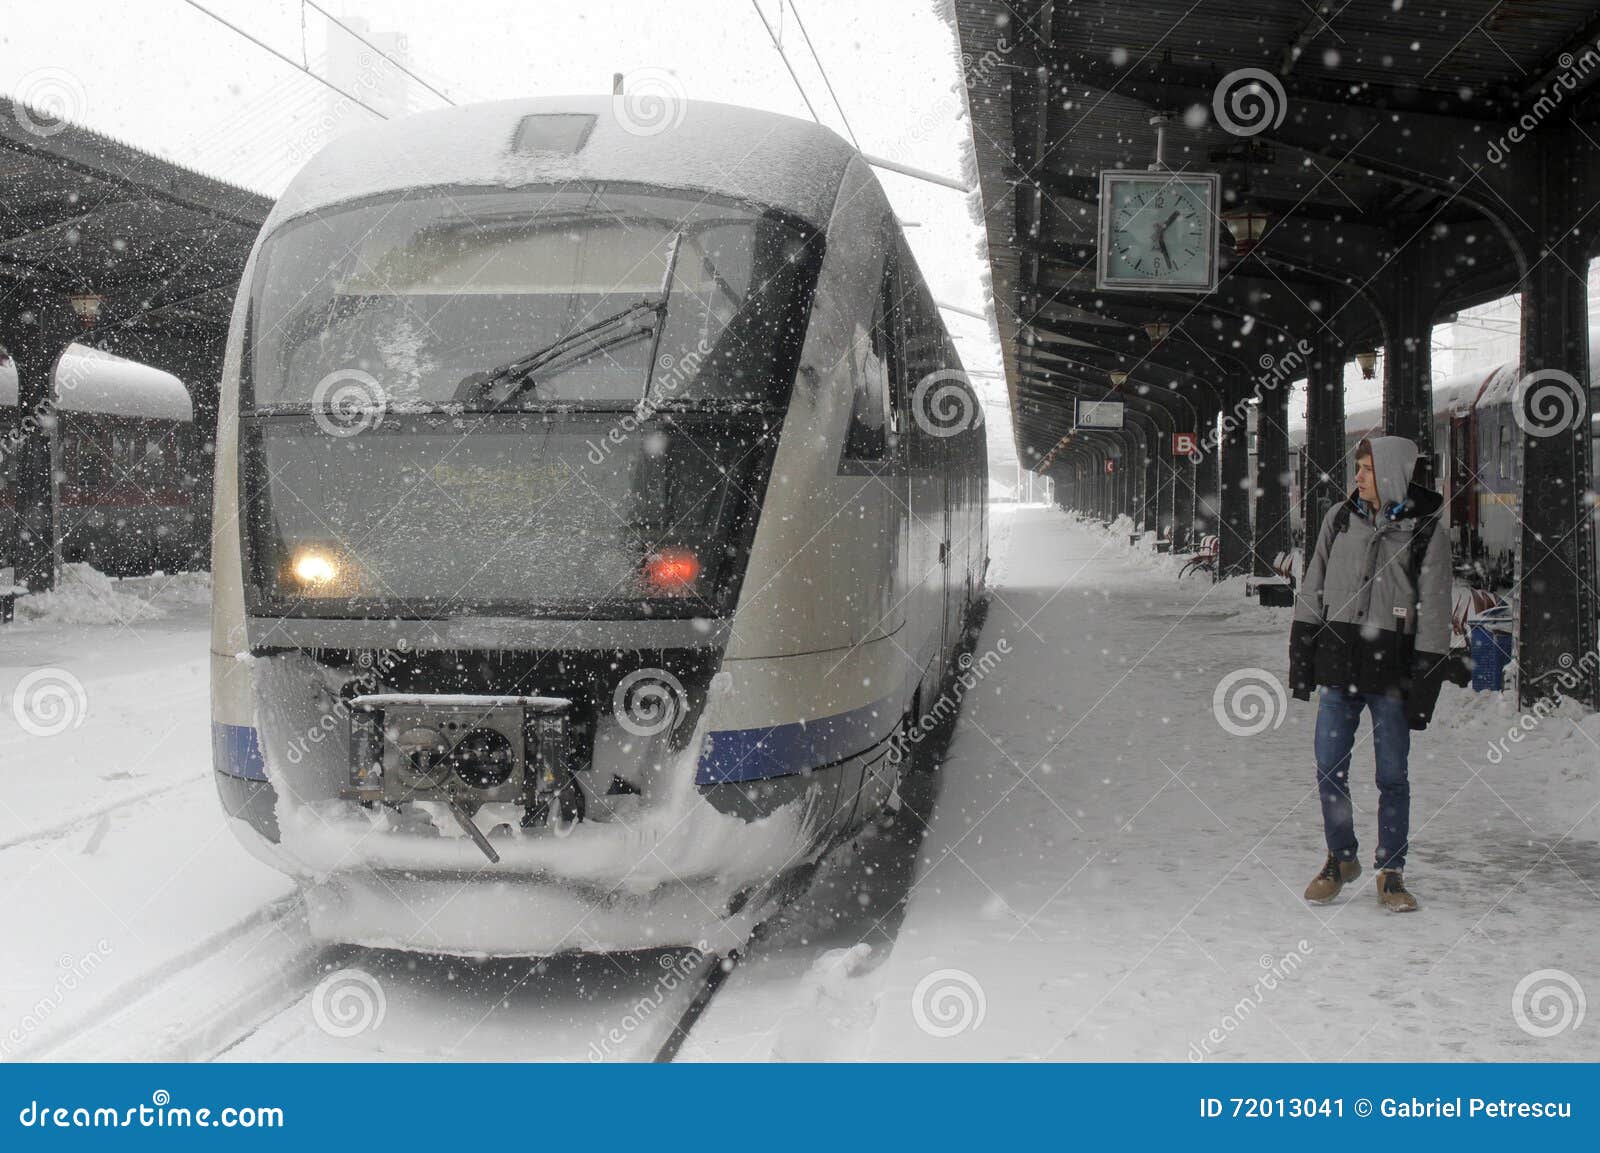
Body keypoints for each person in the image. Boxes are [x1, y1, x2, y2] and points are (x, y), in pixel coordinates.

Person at [1289, 435, 1453, 912]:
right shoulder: (1338, 520)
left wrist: (1424, 686)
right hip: (1340, 666)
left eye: (1365, 469)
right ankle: (1340, 858)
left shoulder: (1426, 533)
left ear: (1392, 474)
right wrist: (1301, 658)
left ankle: (1391, 872)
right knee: (1329, 768)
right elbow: (1312, 586)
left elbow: (1436, 614)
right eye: (1357, 468)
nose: (1357, 477)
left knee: (1391, 776)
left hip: (1392, 672)